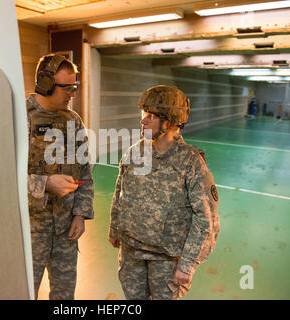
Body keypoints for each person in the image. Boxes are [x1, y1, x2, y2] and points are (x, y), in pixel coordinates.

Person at [108, 85, 220, 300]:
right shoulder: (134, 153)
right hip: (132, 253)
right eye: (143, 115)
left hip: (166, 261)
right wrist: (115, 228)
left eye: (150, 116)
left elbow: (206, 219)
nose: (143, 121)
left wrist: (187, 265)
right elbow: (119, 192)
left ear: (169, 122)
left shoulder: (190, 163)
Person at [27, 54, 94, 300]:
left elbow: (85, 170)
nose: (72, 93)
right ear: (45, 84)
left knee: (65, 295)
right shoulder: (19, 119)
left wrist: (80, 213)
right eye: (67, 88)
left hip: (65, 229)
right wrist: (45, 184)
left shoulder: (72, 121)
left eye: (75, 87)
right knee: (23, 292)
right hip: (30, 231)